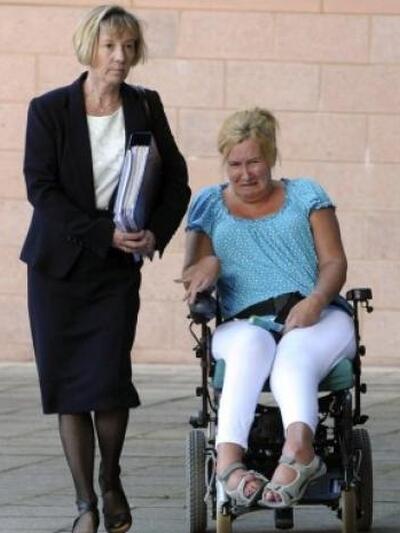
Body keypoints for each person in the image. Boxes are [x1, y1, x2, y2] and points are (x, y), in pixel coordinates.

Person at [20, 5, 190, 532]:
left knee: (110, 380)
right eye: (111, 46)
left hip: (116, 269)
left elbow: (177, 180)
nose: (121, 57)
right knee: (68, 387)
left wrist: (155, 233)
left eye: (129, 47)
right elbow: (41, 188)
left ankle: (111, 478)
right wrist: (100, 233)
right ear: (89, 47)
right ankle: (85, 505)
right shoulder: (48, 109)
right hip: (57, 269)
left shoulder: (145, 105)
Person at [182, 108, 355, 509]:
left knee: (293, 352)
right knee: (252, 345)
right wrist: (209, 265)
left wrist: (315, 302)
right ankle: (228, 464)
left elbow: (334, 262)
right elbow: (191, 273)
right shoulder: (208, 204)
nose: (245, 174)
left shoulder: (306, 195)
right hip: (244, 321)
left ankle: (299, 451)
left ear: (271, 157)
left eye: (254, 162)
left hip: (316, 313)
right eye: (235, 164)